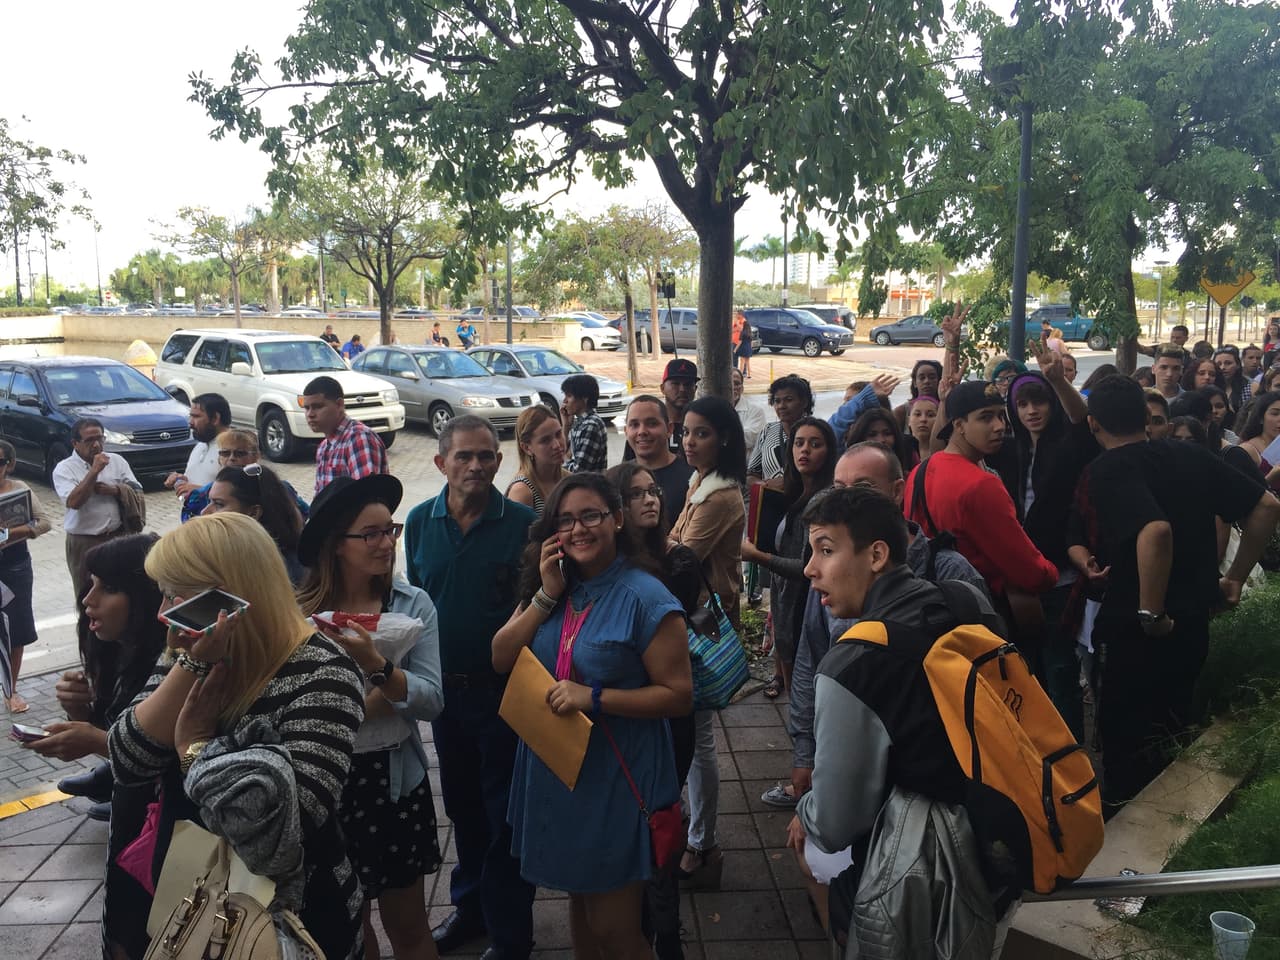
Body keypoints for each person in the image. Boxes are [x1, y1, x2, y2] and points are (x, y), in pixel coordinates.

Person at [108, 514, 367, 960]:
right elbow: (128, 760)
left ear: (231, 596)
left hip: (292, 923)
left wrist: (195, 749)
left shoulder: (326, 671)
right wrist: (188, 669)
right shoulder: (189, 650)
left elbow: (281, 833)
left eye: (176, 595)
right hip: (189, 904)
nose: (162, 613)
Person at [789, 486, 1011, 953]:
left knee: (812, 850)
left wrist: (803, 811)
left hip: (923, 869)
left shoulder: (852, 664)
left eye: (825, 550)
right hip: (1005, 834)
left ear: (876, 555)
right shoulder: (966, 601)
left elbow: (834, 822)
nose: (810, 569)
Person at [493, 473, 692, 960]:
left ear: (618, 520)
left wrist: (595, 697)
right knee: (580, 910)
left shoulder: (647, 598)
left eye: (591, 516)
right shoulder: (555, 585)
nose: (578, 529)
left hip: (616, 776)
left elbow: (679, 695)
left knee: (614, 927)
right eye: (565, 520)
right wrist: (544, 595)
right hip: (558, 767)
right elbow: (500, 657)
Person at [1069, 375, 1280, 809]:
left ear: (1094, 425)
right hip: (1194, 624)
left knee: (1128, 746)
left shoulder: (1107, 469)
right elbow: (1266, 506)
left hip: (1139, 631)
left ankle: (1128, 843)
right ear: (1146, 418)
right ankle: (1171, 829)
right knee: (1174, 730)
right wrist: (1234, 578)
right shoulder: (1189, 455)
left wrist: (1151, 613)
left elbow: (1155, 531)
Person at [774, 442, 987, 816]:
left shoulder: (953, 576)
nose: (847, 500)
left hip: (943, 794)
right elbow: (811, 657)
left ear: (897, 490)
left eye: (862, 488)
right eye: (839, 489)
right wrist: (807, 752)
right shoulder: (832, 578)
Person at [403, 415, 536, 959]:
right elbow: (418, 603)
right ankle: (471, 911)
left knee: (505, 815)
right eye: (464, 456)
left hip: (505, 692)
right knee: (461, 807)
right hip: (445, 697)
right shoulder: (417, 522)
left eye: (486, 456)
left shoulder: (525, 524)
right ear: (441, 463)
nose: (477, 465)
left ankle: (511, 935)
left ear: (500, 462)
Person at [297, 475, 445, 960]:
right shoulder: (299, 613)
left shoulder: (411, 604)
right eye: (371, 534)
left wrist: (377, 667)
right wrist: (364, 702)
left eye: (391, 531)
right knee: (348, 926)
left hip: (390, 781)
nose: (386, 544)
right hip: (324, 781)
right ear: (336, 545)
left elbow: (430, 698)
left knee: (408, 925)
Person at [25, 536, 167, 957]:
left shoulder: (175, 663)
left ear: (146, 597)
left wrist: (98, 740)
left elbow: (177, 756)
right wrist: (85, 713)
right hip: (130, 823)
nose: (89, 600)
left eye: (107, 588)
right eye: (89, 585)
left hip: (166, 832)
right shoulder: (122, 655)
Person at [989, 351, 1098, 735]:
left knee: (1060, 669)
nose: (1032, 410)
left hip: (1060, 577)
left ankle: (1071, 757)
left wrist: (1058, 380)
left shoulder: (1069, 446)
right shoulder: (1004, 449)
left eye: (1039, 401)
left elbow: (1083, 424)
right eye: (1022, 403)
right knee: (1023, 670)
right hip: (1015, 578)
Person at [903, 380, 1059, 629]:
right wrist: (1053, 574)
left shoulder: (920, 470)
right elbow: (1029, 571)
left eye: (1000, 415)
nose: (999, 426)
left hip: (930, 609)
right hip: (982, 613)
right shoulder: (981, 484)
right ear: (959, 425)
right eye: (986, 418)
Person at [669, 396, 747, 888]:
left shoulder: (720, 495)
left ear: (724, 439)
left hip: (701, 625)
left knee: (698, 742)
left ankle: (702, 844)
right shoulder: (702, 482)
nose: (690, 442)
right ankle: (695, 836)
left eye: (701, 433)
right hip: (692, 619)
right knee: (691, 737)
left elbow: (680, 554)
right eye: (687, 432)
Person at [743, 418, 837, 702]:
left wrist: (758, 556)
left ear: (830, 451)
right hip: (788, 606)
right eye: (798, 443)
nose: (804, 451)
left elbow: (807, 568)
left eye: (815, 444)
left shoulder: (824, 500)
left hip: (807, 609)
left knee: (807, 697)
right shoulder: (797, 492)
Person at [53, 417, 143, 605]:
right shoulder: (64, 469)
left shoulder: (117, 461)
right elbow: (74, 501)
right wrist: (94, 471)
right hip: (85, 542)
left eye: (100, 439)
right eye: (89, 441)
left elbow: (137, 490)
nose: (96, 445)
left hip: (117, 537)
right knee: (88, 596)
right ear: (75, 443)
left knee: (122, 592)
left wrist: (117, 490)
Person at [0, 439, 50, 713]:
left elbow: (44, 522)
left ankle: (11, 690)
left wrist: (13, 532)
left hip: (15, 567)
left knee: (16, 630)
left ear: (10, 464)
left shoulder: (21, 490)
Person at [202, 464, 307, 583]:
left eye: (219, 504)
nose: (204, 512)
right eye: (209, 501)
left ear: (253, 513)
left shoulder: (284, 570)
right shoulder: (229, 554)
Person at [181, 428, 312, 520]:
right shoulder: (204, 493)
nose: (232, 458)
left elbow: (305, 513)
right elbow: (188, 520)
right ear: (219, 459)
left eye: (240, 453)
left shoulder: (280, 488)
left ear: (256, 457)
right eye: (225, 453)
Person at [303, 375, 389, 493]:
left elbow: (366, 497)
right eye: (306, 408)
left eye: (317, 407)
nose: (310, 414)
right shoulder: (323, 447)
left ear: (339, 405)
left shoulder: (359, 439)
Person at [165, 393, 231, 517]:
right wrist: (181, 479)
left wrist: (200, 491)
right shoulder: (201, 444)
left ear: (215, 418)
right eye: (190, 416)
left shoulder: (233, 450)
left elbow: (239, 492)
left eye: (196, 417)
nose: (190, 423)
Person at [748, 374, 813, 485]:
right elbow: (751, 475)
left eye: (789, 400)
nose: (781, 406)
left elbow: (825, 474)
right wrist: (765, 485)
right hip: (771, 500)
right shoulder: (768, 431)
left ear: (804, 402)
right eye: (777, 401)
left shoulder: (816, 432)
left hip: (807, 501)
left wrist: (788, 483)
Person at [506, 404, 567, 517]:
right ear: (527, 448)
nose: (557, 445)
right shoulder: (522, 491)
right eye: (545, 440)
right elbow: (515, 534)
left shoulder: (569, 479)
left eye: (558, 434)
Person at [1224, 390, 1280, 493]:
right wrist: (1272, 477)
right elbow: (1241, 492)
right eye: (1275, 414)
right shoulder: (1247, 450)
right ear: (1261, 418)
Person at [561, 373, 608, 474]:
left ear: (585, 398)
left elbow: (578, 471)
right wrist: (566, 426)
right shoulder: (580, 422)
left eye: (569, 396)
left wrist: (562, 457)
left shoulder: (590, 425)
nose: (565, 401)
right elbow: (567, 451)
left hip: (590, 487)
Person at [844, 407, 914, 472]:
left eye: (887, 433)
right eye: (872, 435)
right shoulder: (848, 473)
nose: (881, 440)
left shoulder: (910, 465)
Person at [891, 359, 942, 430]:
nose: (927, 381)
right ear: (915, 382)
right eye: (922, 378)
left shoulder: (945, 410)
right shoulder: (901, 412)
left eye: (932, 377)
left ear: (939, 380)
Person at [730, 367, 767, 455]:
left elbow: (749, 438)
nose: (733, 387)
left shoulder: (756, 411)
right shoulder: (713, 410)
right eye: (729, 383)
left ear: (742, 388)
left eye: (737, 383)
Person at [1215, 347, 1253, 413]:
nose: (1222, 367)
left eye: (1228, 363)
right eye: (1219, 364)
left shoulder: (1249, 387)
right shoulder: (1209, 386)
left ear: (1238, 365)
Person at [906, 395, 940, 465]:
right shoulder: (902, 451)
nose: (923, 419)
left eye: (930, 415)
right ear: (908, 420)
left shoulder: (946, 451)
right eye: (918, 414)